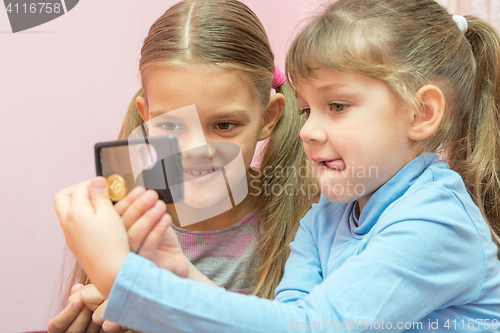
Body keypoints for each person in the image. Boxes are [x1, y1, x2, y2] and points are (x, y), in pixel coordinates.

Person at [56, 0, 500, 332]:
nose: (307, 131)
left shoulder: (437, 223)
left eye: (338, 105)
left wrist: (127, 281)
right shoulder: (324, 218)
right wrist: (181, 275)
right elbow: (285, 319)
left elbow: (316, 327)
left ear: (422, 113)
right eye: (307, 111)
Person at [47, 0, 318, 332]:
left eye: (225, 125)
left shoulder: (306, 229)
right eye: (172, 126)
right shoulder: (121, 225)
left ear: (268, 117)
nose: (196, 151)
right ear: (147, 117)